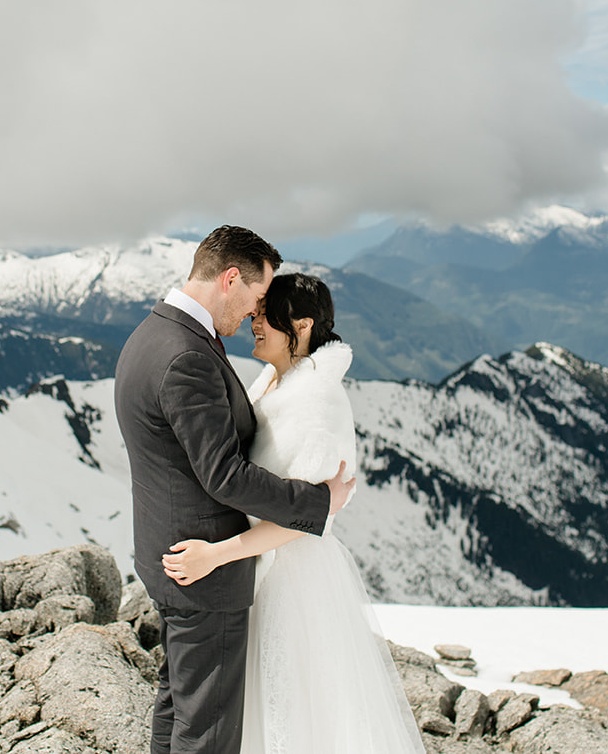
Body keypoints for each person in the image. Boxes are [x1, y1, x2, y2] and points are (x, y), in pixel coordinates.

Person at [115, 226, 357, 754]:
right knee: (209, 732)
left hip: (172, 554)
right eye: (255, 296)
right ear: (231, 278)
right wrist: (319, 502)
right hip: (204, 570)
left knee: (179, 707)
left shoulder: (153, 334)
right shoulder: (188, 355)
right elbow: (223, 475)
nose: (255, 312)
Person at [161, 272, 424, 754]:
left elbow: (298, 525)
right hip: (264, 574)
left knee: (294, 713)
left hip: (293, 581)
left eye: (266, 313)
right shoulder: (278, 381)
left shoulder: (316, 402)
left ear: (301, 327)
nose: (254, 320)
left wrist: (216, 555)